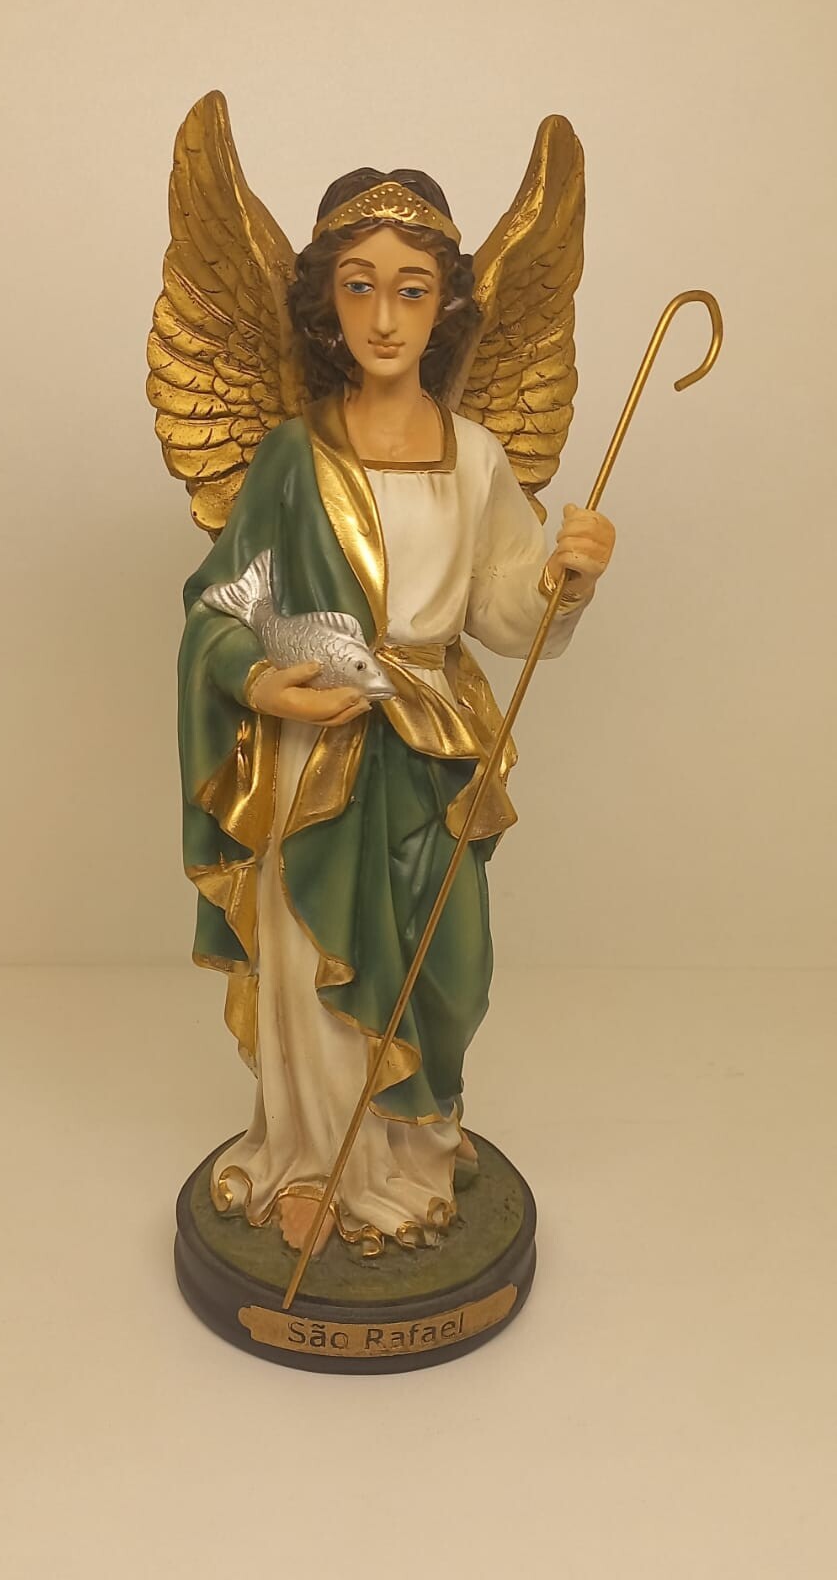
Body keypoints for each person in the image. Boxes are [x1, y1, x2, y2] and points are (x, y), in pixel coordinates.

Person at [177, 167, 615, 1259]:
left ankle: (415, 1149)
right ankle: (315, 1164)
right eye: (359, 286)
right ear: (326, 303)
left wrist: (563, 577)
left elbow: (503, 610)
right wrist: (260, 679)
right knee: (314, 960)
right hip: (317, 742)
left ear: (445, 305)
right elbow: (223, 603)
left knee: (447, 966)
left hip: (432, 746)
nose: (383, 316)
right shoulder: (293, 455)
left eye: (411, 289)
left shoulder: (474, 456)